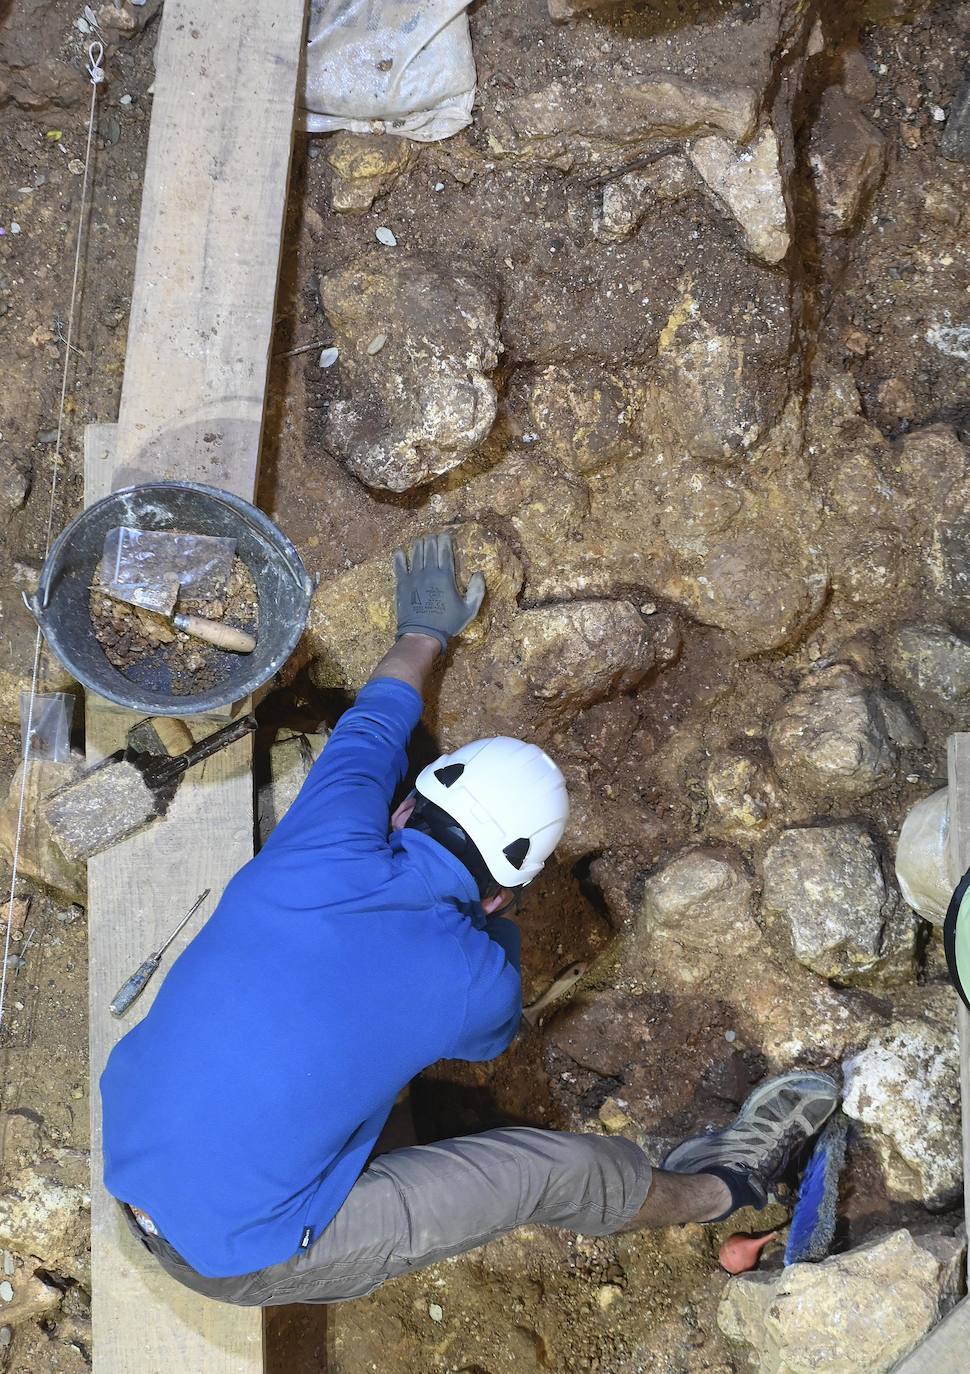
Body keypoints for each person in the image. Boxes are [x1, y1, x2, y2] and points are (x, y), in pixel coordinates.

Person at [101, 531, 838, 1305]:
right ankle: (726, 1184)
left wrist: (423, 632)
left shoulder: (324, 837)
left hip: (134, 1145)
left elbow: (374, 721)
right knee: (549, 1173)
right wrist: (498, 931)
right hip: (238, 1250)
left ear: (405, 806)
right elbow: (492, 1036)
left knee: (328, 1038)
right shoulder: (475, 980)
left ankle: (356, 1157)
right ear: (502, 895)